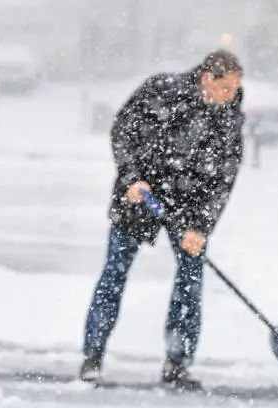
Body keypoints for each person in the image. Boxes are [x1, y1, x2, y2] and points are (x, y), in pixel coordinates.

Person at [80, 49, 245, 390]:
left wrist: (201, 228)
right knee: (115, 273)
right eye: (225, 89)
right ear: (206, 79)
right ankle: (93, 355)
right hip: (142, 194)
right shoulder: (161, 90)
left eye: (234, 90)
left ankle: (177, 364)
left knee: (190, 280)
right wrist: (131, 177)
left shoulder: (229, 118)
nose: (230, 97)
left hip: (189, 206)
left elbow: (224, 179)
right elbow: (123, 130)